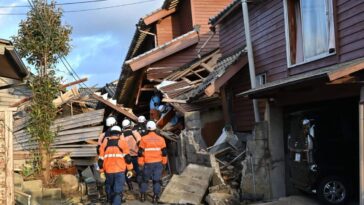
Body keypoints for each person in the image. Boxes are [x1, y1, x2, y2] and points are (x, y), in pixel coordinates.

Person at [98, 126, 134, 205]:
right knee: (117, 191)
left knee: (110, 188)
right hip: (120, 171)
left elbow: (100, 160)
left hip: (108, 171)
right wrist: (130, 169)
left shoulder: (104, 144)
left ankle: (110, 201)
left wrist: (101, 171)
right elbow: (128, 158)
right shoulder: (122, 143)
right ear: (119, 134)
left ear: (110, 134)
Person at [138, 121, 168, 203]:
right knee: (156, 180)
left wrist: (141, 163)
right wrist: (164, 162)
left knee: (145, 180)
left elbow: (140, 153)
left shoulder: (143, 139)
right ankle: (155, 198)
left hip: (147, 163)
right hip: (158, 163)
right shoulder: (161, 139)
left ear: (147, 129)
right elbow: (164, 152)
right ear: (155, 128)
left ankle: (143, 197)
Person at [121, 119, 141, 191]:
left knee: (127, 172)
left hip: (126, 158)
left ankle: (130, 187)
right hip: (136, 156)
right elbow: (140, 144)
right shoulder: (135, 133)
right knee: (138, 171)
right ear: (130, 125)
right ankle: (141, 186)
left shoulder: (121, 136)